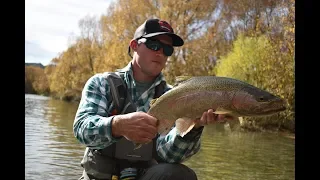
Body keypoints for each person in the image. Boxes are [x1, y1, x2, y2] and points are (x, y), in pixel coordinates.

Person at [73, 18, 235, 180]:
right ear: (134, 46)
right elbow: (82, 129)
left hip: (146, 175)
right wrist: (117, 125)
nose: (160, 52)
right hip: (99, 176)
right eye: (153, 45)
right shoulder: (102, 83)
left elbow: (168, 156)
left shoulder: (176, 95)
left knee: (181, 175)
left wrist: (194, 126)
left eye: (167, 49)